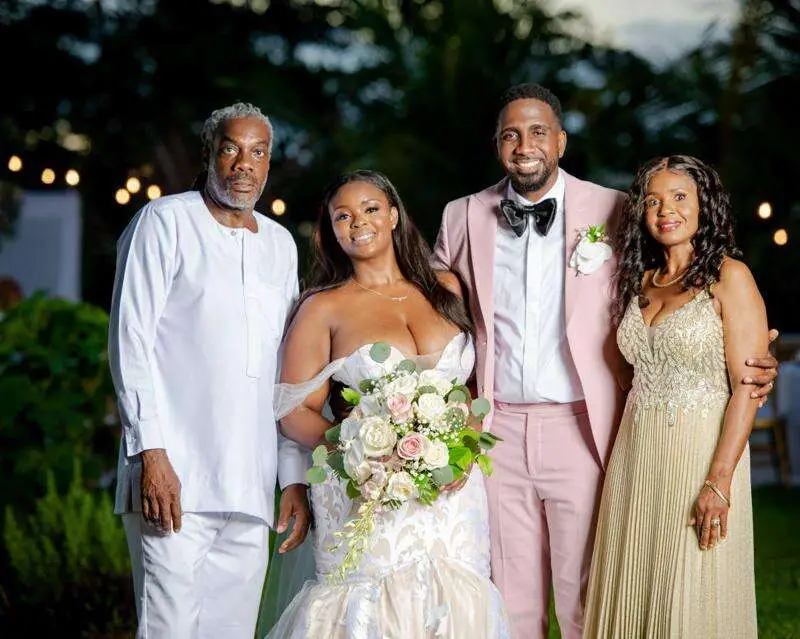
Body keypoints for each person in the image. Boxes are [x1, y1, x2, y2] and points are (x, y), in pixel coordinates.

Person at [430, 83, 778, 639]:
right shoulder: (462, 215)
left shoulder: (615, 208)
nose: (525, 145)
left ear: (561, 141)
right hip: (497, 429)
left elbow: (690, 290)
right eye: (511, 135)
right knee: (510, 596)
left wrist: (748, 355)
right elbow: (433, 303)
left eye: (538, 131)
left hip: (583, 425)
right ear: (497, 145)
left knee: (589, 597)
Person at [262, 169, 512, 638]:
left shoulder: (447, 288)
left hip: (453, 493)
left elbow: (475, 386)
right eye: (343, 216)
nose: (358, 221)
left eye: (371, 208)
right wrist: (355, 449)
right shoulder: (322, 308)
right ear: (332, 230)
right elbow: (293, 411)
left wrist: (466, 444)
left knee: (457, 604)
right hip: (366, 490)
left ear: (394, 215)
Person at [108, 102, 311, 639]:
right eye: (231, 149)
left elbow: (287, 373)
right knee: (169, 630)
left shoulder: (280, 245)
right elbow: (130, 341)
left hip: (250, 485)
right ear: (209, 154)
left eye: (258, 153)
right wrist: (151, 453)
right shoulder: (164, 221)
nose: (244, 164)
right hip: (173, 479)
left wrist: (291, 476)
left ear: (268, 164)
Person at [583, 155, 762, 637]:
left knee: (688, 586)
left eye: (680, 197)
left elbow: (748, 387)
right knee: (635, 583)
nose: (666, 210)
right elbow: (628, 371)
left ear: (704, 205)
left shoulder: (730, 277)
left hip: (700, 452)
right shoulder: (638, 282)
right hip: (636, 453)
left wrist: (718, 481)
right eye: (652, 201)